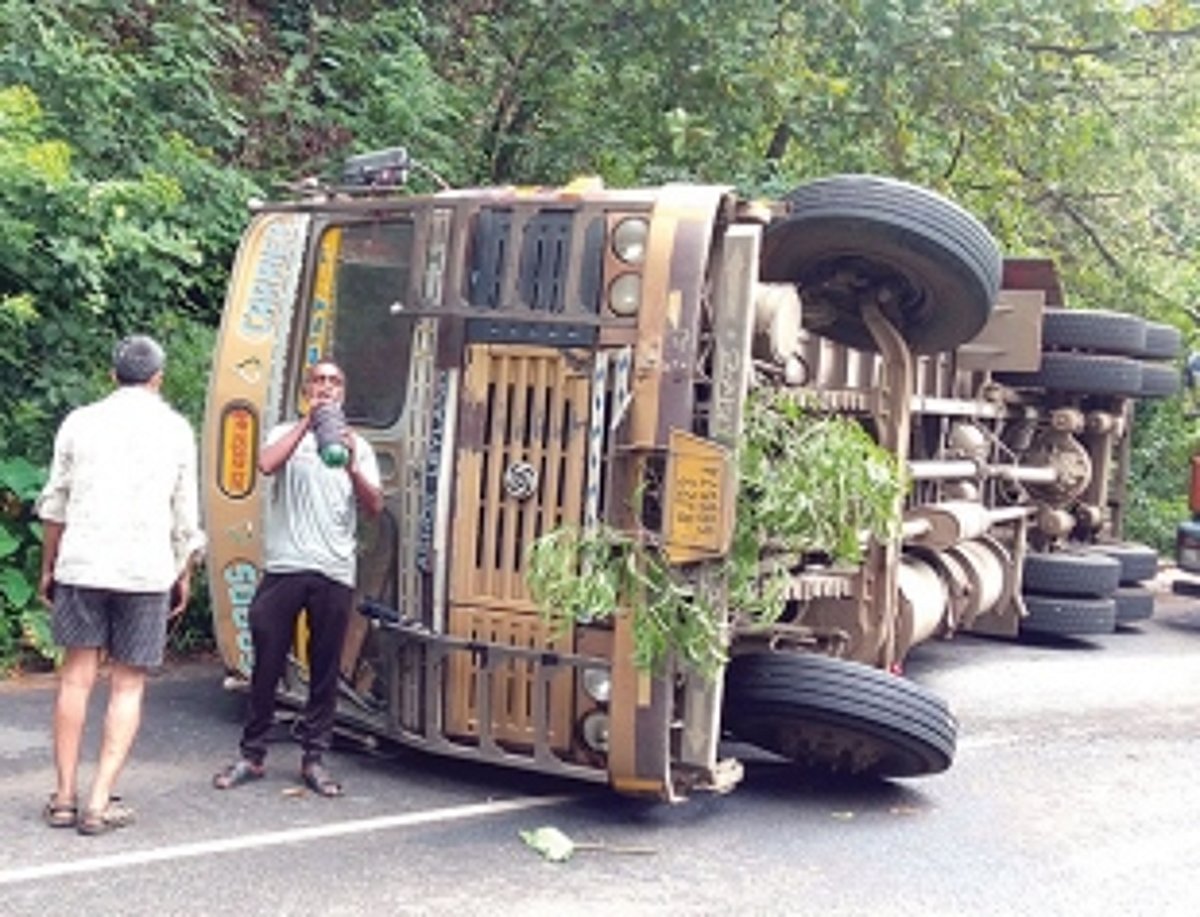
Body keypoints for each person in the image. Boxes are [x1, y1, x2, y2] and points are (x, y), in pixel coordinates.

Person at [37, 334, 205, 836]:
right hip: (144, 570)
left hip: (83, 564)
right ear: (158, 378)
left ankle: (63, 796)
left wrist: (51, 565)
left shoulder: (80, 422)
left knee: (75, 678)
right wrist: (184, 571)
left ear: (112, 375)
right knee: (127, 683)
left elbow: (55, 503)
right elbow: (184, 514)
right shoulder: (176, 430)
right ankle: (98, 800)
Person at [214, 359, 382, 797]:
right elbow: (266, 466)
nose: (326, 387)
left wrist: (351, 465)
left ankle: (314, 759)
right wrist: (308, 424)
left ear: (343, 392)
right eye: (319, 381)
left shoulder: (356, 445)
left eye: (334, 381)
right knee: (267, 661)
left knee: (325, 668)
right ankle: (252, 755)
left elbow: (374, 507)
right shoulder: (284, 434)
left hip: (334, 570)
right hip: (286, 565)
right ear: (307, 390)